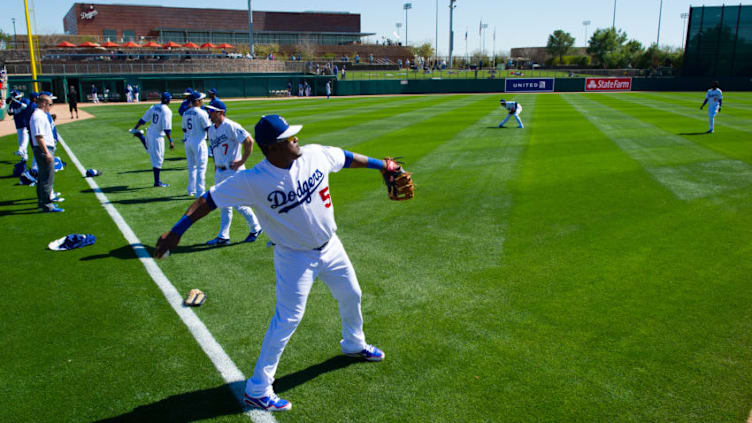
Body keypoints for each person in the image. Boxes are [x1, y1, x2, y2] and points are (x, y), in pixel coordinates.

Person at [154, 114, 406, 412]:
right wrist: (176, 231)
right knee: (288, 319)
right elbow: (208, 200)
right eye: (288, 138)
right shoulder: (252, 181)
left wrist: (385, 166)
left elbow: (348, 158)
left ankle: (353, 343)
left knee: (352, 294)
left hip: (332, 248)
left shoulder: (314, 155)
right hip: (294, 258)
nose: (295, 139)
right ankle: (258, 388)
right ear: (271, 148)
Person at [204, 99, 263, 245]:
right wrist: (216, 165)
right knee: (223, 203)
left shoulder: (231, 126)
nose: (209, 113)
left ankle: (256, 227)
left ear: (221, 113)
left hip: (233, 171)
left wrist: (242, 161)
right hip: (220, 171)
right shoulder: (211, 129)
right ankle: (223, 236)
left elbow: (249, 141)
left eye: (211, 111)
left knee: (237, 203)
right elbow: (215, 150)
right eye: (208, 111)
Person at [130, 92, 174, 187]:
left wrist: (135, 128)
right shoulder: (167, 111)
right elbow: (167, 128)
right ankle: (157, 182)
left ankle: (140, 135)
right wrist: (171, 141)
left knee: (151, 152)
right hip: (157, 136)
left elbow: (143, 119)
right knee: (158, 159)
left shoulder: (154, 106)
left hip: (150, 132)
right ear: (167, 100)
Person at [30, 94, 63, 213]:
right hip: (43, 149)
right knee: (47, 178)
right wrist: (47, 153)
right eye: (49, 104)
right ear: (43, 103)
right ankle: (46, 204)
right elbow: (39, 137)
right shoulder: (38, 116)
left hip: (44, 148)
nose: (50, 107)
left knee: (44, 177)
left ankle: (42, 202)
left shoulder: (41, 115)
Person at [182, 91, 211, 197]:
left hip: (188, 140)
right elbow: (208, 128)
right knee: (201, 167)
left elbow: (184, 129)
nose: (203, 101)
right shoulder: (202, 113)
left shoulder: (186, 112)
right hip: (199, 141)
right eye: (202, 99)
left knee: (191, 167)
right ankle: (200, 192)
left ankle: (191, 189)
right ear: (197, 101)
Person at [6, 90, 32, 166]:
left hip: (25, 122)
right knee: (20, 139)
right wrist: (10, 107)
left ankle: (21, 149)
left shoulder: (25, 100)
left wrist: (15, 101)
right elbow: (9, 112)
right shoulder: (13, 103)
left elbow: (25, 106)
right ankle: (24, 157)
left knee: (25, 136)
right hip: (18, 123)